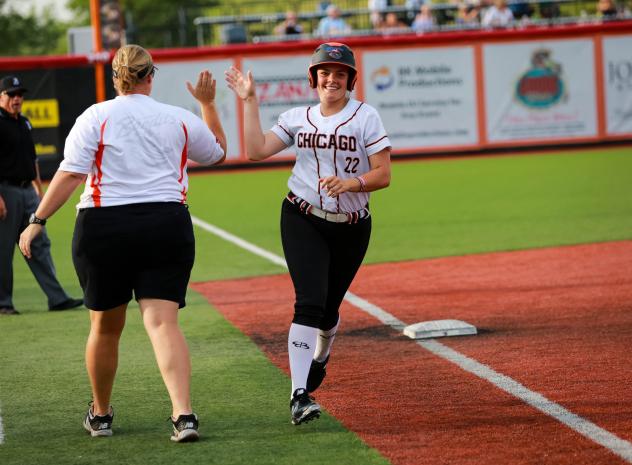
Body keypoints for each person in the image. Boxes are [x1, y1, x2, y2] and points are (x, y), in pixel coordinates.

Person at [18, 44, 227, 441]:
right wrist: (208, 104)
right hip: (166, 224)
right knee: (164, 323)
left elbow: (69, 175)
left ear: (116, 77)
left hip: (104, 227)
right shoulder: (177, 117)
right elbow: (217, 153)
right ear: (151, 76)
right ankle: (183, 415)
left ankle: (100, 416)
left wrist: (37, 220)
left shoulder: (96, 116)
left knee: (105, 327)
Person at [224, 42, 391, 426]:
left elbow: (383, 174)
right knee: (309, 303)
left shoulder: (366, 117)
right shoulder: (297, 117)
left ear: (350, 80)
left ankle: (322, 353)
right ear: (313, 78)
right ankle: (299, 394)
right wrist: (249, 101)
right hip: (301, 217)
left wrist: (351, 184)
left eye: (340, 73)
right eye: (325, 72)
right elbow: (256, 150)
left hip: (352, 226)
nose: (332, 79)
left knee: (328, 310)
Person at [0, 75, 83, 316]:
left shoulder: (24, 122)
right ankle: (3, 302)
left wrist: (38, 187)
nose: (17, 99)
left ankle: (57, 298)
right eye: (11, 94)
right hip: (5, 190)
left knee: (39, 244)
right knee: (4, 249)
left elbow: (32, 158)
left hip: (27, 192)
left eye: (20, 95)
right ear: (1, 96)